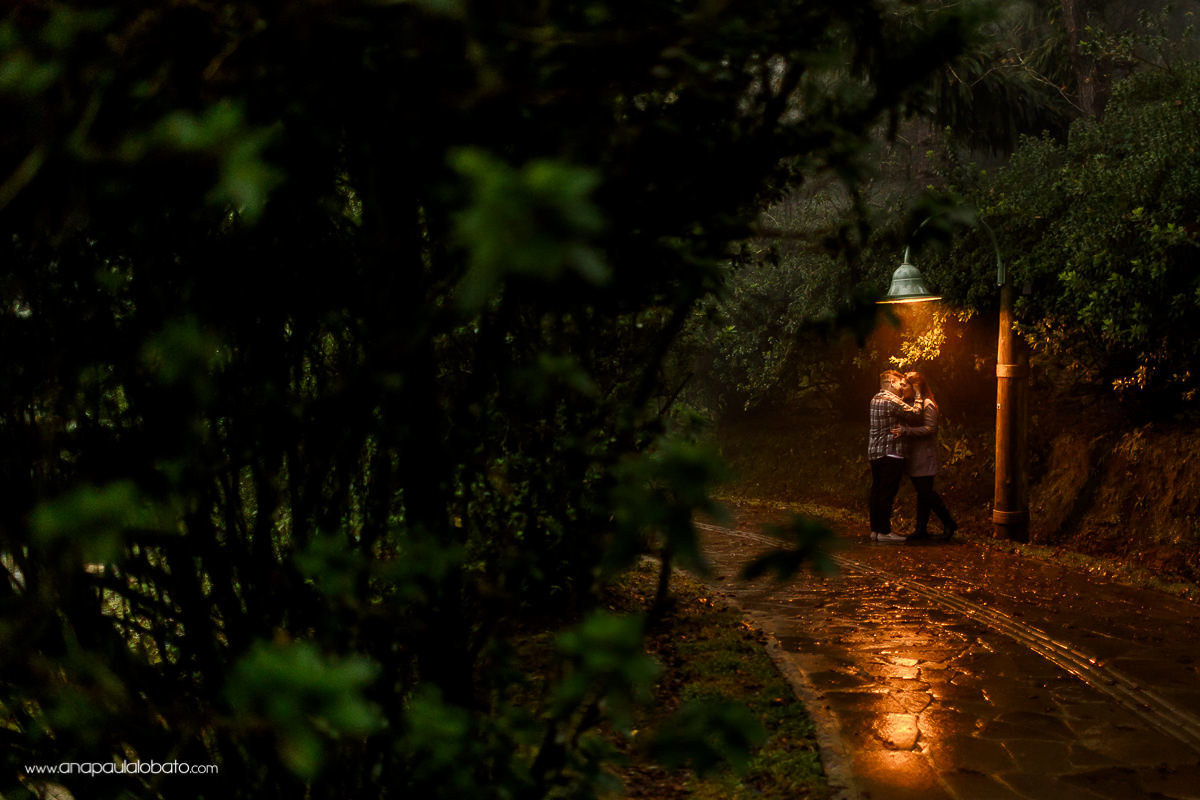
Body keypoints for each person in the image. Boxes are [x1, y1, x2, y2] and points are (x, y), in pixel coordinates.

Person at [893, 371, 958, 541]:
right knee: (923, 492)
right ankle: (922, 529)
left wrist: (907, 431)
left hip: (926, 455)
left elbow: (931, 428)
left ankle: (947, 523)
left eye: (904, 385)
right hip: (915, 455)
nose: (901, 387)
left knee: (926, 492)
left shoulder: (928, 403)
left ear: (915, 387)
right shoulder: (910, 403)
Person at [868, 369, 924, 543]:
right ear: (891, 382)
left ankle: (875, 530)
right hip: (891, 452)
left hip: (875, 452)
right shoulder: (891, 400)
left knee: (877, 491)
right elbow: (915, 413)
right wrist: (918, 394)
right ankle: (885, 532)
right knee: (887, 493)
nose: (901, 388)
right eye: (899, 383)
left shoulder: (875, 399)